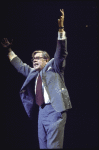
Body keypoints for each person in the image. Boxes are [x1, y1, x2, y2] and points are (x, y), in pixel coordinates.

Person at [1, 9, 72, 149]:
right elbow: (20, 66)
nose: (34, 60)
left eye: (38, 58)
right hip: (42, 112)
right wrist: (9, 51)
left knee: (54, 146)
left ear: (47, 60)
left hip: (55, 109)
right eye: (33, 58)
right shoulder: (34, 73)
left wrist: (61, 28)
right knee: (43, 146)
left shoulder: (55, 66)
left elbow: (61, 51)